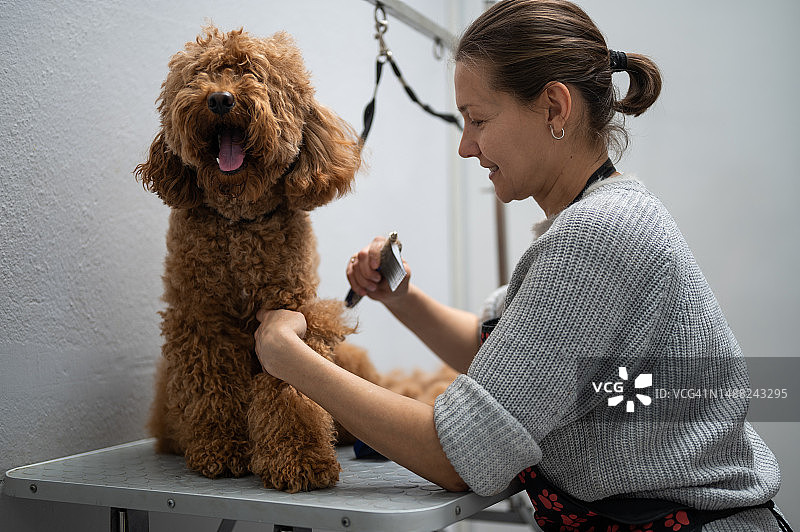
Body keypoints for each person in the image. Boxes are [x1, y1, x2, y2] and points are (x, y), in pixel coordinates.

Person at [254, 1, 792, 530]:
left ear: (555, 108)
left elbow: (457, 458)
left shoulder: (597, 235)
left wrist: (290, 358)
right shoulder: (606, 216)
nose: (466, 146)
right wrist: (401, 298)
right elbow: (504, 355)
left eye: (478, 120)